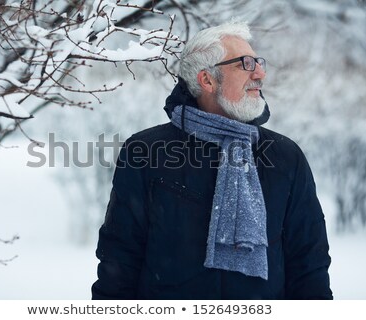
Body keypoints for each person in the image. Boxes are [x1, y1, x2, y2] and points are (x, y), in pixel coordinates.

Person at [91, 21, 332, 299]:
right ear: (207, 80)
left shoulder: (285, 156)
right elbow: (120, 257)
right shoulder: (146, 151)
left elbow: (309, 263)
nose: (260, 74)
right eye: (246, 64)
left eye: (259, 62)